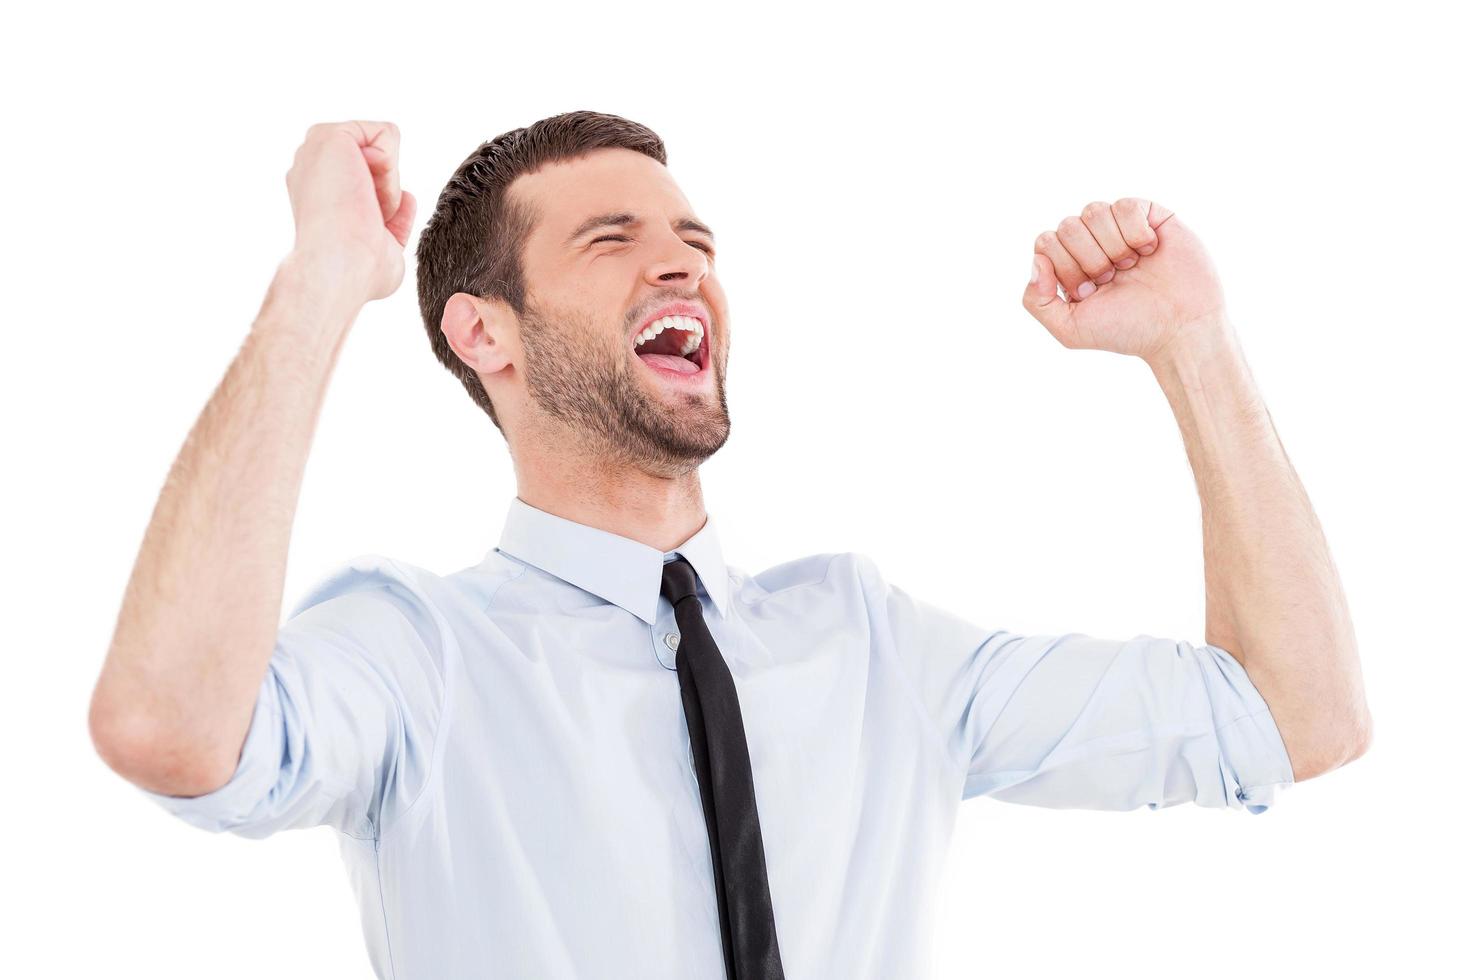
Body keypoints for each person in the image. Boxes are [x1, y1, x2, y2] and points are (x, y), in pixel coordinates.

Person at [88, 111, 1372, 980]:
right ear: (487, 335)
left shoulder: (871, 643)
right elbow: (168, 726)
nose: (682, 268)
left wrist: (1193, 345)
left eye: (696, 244)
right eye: (614, 240)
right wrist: (320, 279)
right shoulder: (416, 654)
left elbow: (1295, 716)